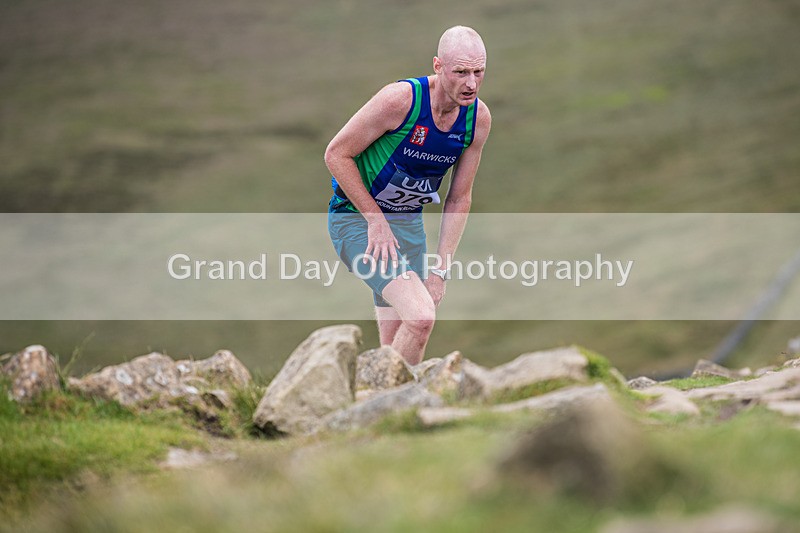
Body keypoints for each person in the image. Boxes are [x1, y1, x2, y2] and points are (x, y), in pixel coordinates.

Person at [325, 25, 491, 365]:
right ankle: (379, 398)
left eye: (479, 72)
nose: (471, 83)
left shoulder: (477, 119)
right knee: (421, 317)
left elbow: (459, 198)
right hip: (356, 221)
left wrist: (440, 270)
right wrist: (376, 220)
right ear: (438, 66)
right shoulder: (400, 101)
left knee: (399, 346)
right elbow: (335, 155)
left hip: (408, 228)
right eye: (461, 72)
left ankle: (387, 409)